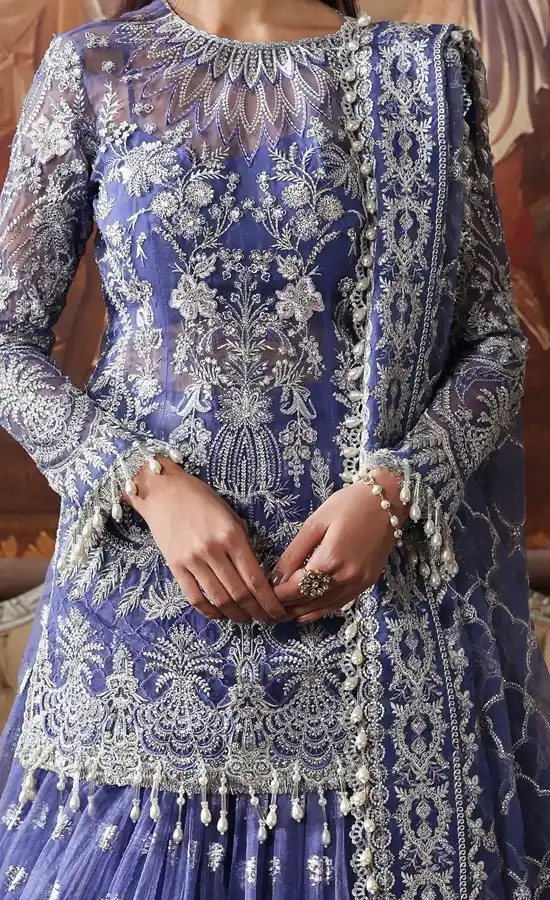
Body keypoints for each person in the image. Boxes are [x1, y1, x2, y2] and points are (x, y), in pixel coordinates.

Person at [0, 0, 549, 897]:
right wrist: (145, 483)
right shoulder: (96, 68)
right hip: (134, 636)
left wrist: (395, 493)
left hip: (371, 634)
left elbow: (493, 344)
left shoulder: (417, 73)